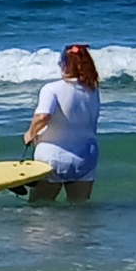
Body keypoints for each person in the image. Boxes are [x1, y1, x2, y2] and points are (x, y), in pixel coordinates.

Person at [24, 43, 101, 202]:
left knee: (40, 209)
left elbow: (43, 117)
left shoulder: (51, 89)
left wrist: (30, 134)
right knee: (79, 212)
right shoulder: (93, 90)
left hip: (53, 157)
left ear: (65, 64)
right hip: (86, 156)